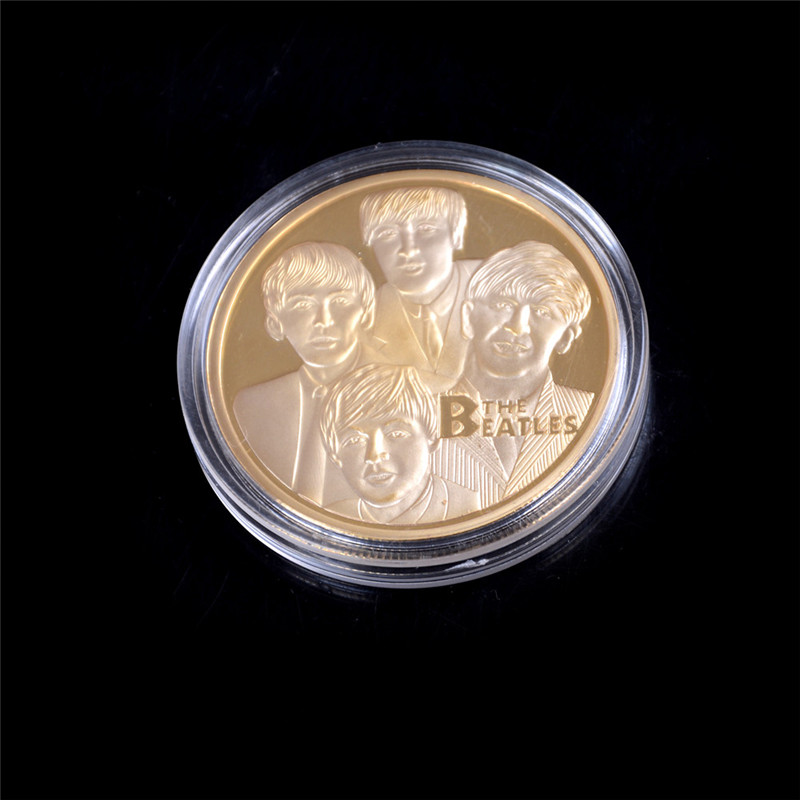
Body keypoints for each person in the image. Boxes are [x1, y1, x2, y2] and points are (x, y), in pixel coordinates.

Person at [434, 240, 595, 504]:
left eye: (542, 312)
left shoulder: (588, 414)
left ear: (566, 337)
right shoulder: (418, 419)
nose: (517, 326)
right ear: (468, 317)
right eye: (503, 305)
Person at [233, 241, 381, 506]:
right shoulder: (250, 406)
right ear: (275, 322)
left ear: (366, 312)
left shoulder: (404, 394)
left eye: (340, 301)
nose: (324, 320)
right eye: (302, 304)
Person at [320, 364, 479, 524]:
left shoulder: (470, 506)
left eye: (396, 434)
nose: (374, 455)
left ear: (432, 438)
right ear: (334, 455)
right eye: (355, 440)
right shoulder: (331, 517)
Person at [359, 186, 482, 390]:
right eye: (388, 233)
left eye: (426, 229)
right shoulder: (362, 319)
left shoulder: (504, 287)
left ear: (456, 235)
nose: (408, 250)